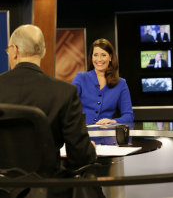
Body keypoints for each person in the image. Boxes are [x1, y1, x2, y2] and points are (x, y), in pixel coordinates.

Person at [0, 25, 103, 197]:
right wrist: (88, 149)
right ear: (43, 52)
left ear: (14, 50)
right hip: (48, 191)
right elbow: (80, 158)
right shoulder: (65, 92)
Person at [72, 39, 134, 125]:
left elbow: (129, 115)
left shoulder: (121, 84)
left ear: (110, 57)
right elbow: (69, 106)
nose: (99, 59)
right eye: (95, 55)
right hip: (83, 134)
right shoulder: (81, 78)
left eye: (103, 55)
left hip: (107, 135)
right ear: (92, 57)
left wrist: (113, 121)